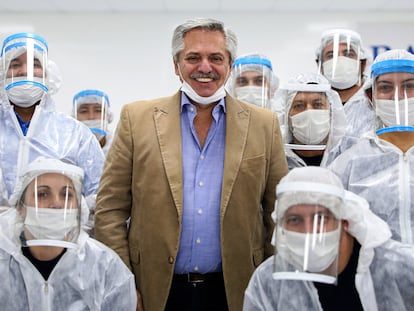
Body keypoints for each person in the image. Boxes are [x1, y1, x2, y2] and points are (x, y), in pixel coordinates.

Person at [94, 17, 288, 311]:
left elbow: (279, 215)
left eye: (216, 58)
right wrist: (123, 284)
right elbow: (109, 210)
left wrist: (275, 286)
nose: (205, 68)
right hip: (154, 290)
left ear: (230, 64)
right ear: (176, 65)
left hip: (238, 291)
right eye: (193, 57)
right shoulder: (137, 119)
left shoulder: (263, 125)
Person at [243, 166, 414, 310]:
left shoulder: (398, 268)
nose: (308, 231)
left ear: (344, 222)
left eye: (322, 218)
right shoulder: (267, 282)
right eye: (294, 220)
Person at [0, 157, 137, 310]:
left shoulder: (105, 266)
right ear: (20, 207)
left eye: (67, 195)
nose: (57, 204)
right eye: (42, 194)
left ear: (79, 207)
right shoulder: (4, 263)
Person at [0, 32, 105, 231]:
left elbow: (101, 195)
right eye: (15, 64)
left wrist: (69, 223)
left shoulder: (75, 133)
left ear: (48, 75)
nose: (25, 71)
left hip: (59, 246)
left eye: (35, 64)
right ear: (2, 74)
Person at [328, 49, 414, 244]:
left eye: (409, 86)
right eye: (385, 87)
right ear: (371, 97)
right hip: (371, 273)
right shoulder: (350, 162)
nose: (397, 96)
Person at [277, 72, 347, 169]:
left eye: (318, 105)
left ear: (332, 113)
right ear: (287, 116)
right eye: (299, 105)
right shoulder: (276, 160)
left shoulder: (347, 157)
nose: (309, 111)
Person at [315, 28, 375, 140]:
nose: (339, 60)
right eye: (331, 55)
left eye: (348, 54)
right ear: (320, 65)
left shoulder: (376, 99)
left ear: (362, 63)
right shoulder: (312, 102)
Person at [72, 89, 114, 155]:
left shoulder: (121, 148)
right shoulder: (65, 150)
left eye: (98, 110)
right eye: (84, 111)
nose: (91, 117)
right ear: (74, 118)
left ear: (108, 116)